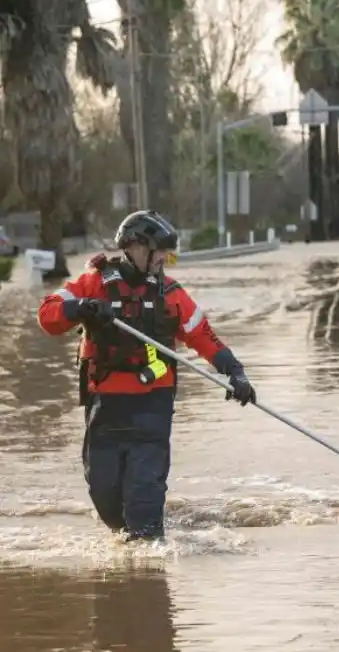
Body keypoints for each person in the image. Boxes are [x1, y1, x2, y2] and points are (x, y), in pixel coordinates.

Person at [37, 210, 257, 541]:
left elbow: (203, 336)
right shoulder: (93, 283)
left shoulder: (170, 293)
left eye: (167, 252)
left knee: (144, 503)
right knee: (105, 497)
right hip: (105, 405)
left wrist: (235, 373)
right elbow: (47, 316)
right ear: (135, 247)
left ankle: (150, 567)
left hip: (153, 406)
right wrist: (81, 307)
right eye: (158, 251)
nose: (164, 259)